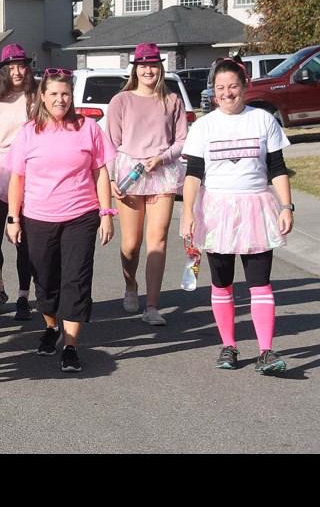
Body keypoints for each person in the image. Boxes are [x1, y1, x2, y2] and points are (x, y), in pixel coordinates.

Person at [180, 56, 293, 376]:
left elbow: (277, 168)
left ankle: (266, 351)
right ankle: (228, 346)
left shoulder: (263, 120)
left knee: (260, 284)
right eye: (220, 88)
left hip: (256, 208)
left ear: (244, 86)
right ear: (213, 93)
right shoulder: (204, 126)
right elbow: (193, 175)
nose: (227, 93)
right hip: (216, 211)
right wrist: (188, 213)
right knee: (222, 283)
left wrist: (286, 206)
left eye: (233, 86)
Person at [4, 68, 116, 373]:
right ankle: (51, 328)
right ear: (42, 96)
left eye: (65, 94)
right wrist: (13, 219)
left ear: (72, 95)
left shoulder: (89, 128)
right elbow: (17, 178)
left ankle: (70, 345)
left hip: (81, 215)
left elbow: (100, 172)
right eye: (53, 94)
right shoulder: (29, 132)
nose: (60, 100)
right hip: (38, 217)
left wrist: (106, 213)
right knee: (46, 281)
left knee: (76, 280)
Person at [106, 42, 188, 325]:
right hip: (129, 173)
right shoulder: (121, 101)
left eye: (153, 65)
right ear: (135, 69)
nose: (148, 70)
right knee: (131, 244)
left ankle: (152, 306)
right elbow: (111, 145)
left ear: (160, 67)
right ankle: (131, 286)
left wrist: (162, 158)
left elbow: (181, 140)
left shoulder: (173, 99)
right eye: (143, 65)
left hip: (162, 173)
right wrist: (112, 178)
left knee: (158, 240)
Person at [0, 43, 37, 321]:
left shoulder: (36, 97)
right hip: (0, 174)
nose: (17, 71)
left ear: (28, 67)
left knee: (24, 241)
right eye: (11, 67)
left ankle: (24, 295)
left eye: (21, 65)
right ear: (3, 70)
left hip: (30, 174)